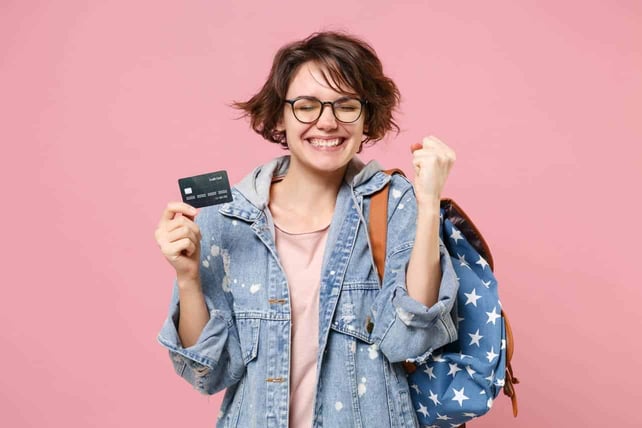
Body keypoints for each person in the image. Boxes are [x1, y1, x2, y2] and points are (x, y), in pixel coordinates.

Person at [155, 31, 459, 428]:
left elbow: (410, 340)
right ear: (279, 114)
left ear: (367, 115)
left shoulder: (398, 203)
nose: (327, 122)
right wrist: (188, 277)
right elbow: (210, 373)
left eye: (346, 105)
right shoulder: (228, 216)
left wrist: (429, 202)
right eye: (306, 106)